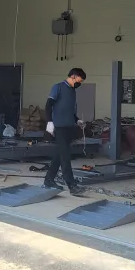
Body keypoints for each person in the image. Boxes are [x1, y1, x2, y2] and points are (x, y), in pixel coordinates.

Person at [43, 68, 87, 196]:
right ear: (73, 76)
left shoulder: (72, 91)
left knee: (59, 155)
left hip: (69, 127)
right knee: (65, 157)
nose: (80, 83)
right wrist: (49, 122)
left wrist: (77, 120)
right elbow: (48, 106)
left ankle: (49, 180)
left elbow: (69, 110)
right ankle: (72, 185)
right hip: (59, 127)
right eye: (79, 80)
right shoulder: (58, 87)